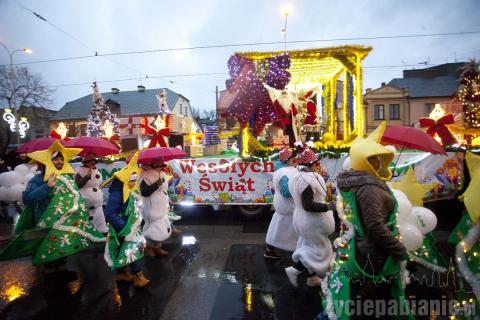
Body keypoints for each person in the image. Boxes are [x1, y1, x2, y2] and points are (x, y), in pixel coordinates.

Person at [323, 122, 410, 319]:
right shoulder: (369, 188)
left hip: (357, 248)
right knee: (383, 301)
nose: (380, 162)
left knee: (355, 294)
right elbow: (375, 226)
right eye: (375, 159)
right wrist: (398, 249)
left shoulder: (357, 182)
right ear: (366, 161)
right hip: (374, 252)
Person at [285, 148, 337, 288]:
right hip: (312, 221)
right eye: (315, 163)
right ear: (312, 164)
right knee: (319, 250)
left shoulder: (296, 177)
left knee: (307, 245)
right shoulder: (308, 179)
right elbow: (308, 205)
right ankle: (295, 269)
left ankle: (312, 278)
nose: (316, 166)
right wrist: (328, 207)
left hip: (301, 219)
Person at [104, 152, 149, 287]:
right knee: (131, 250)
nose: (135, 180)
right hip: (124, 227)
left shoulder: (130, 189)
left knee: (124, 250)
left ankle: (121, 273)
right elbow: (109, 213)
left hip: (131, 225)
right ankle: (137, 276)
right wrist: (124, 228)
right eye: (133, 177)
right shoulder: (118, 191)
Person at [264, 147, 299, 259]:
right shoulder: (285, 172)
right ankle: (299, 253)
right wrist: (299, 188)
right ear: (287, 160)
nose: (294, 159)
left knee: (277, 229)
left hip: (282, 207)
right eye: (292, 158)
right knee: (295, 230)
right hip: (288, 207)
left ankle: (270, 249)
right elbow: (286, 191)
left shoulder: (282, 170)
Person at [139, 159, 173, 257]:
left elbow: (163, 188)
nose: (160, 166)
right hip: (152, 208)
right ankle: (148, 247)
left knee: (161, 227)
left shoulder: (161, 174)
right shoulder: (146, 175)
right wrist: (156, 184)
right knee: (152, 228)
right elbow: (144, 192)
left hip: (161, 207)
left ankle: (157, 247)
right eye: (158, 164)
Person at [75, 153, 108, 233]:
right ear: (85, 162)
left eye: (93, 161)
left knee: (100, 222)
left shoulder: (95, 169)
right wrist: (86, 177)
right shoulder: (80, 170)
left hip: (98, 204)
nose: (92, 163)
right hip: (86, 203)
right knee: (87, 222)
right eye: (90, 161)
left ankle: (101, 235)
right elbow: (78, 185)